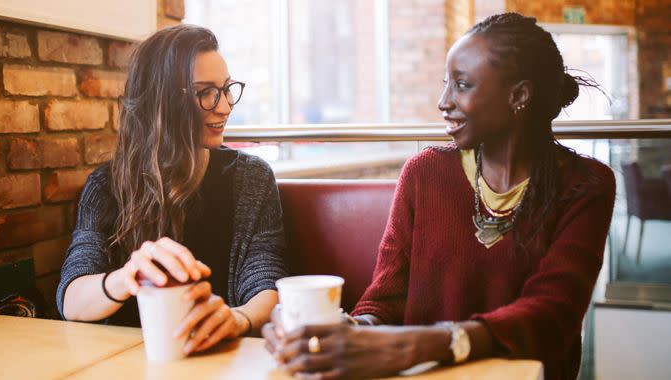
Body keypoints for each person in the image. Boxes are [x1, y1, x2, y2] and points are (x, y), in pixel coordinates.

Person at [263, 13, 615, 380]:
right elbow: (384, 302)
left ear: (518, 95)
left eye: (461, 85)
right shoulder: (424, 172)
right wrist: (347, 330)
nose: (443, 102)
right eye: (446, 83)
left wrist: (415, 345)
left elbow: (551, 315)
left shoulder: (586, 185)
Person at [57, 25, 287, 355]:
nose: (224, 107)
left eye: (225, 89)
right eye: (206, 92)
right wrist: (127, 277)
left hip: (219, 361)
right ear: (161, 100)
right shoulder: (107, 185)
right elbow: (72, 299)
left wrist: (237, 319)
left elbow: (265, 283)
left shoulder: (252, 179)